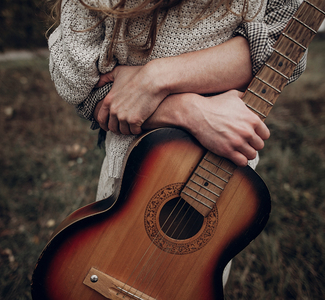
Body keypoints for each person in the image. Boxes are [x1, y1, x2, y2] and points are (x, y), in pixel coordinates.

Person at [47, 0, 306, 286]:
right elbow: (81, 83)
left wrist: (156, 78)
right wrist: (189, 111)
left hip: (222, 178)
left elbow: (286, 50)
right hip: (129, 169)